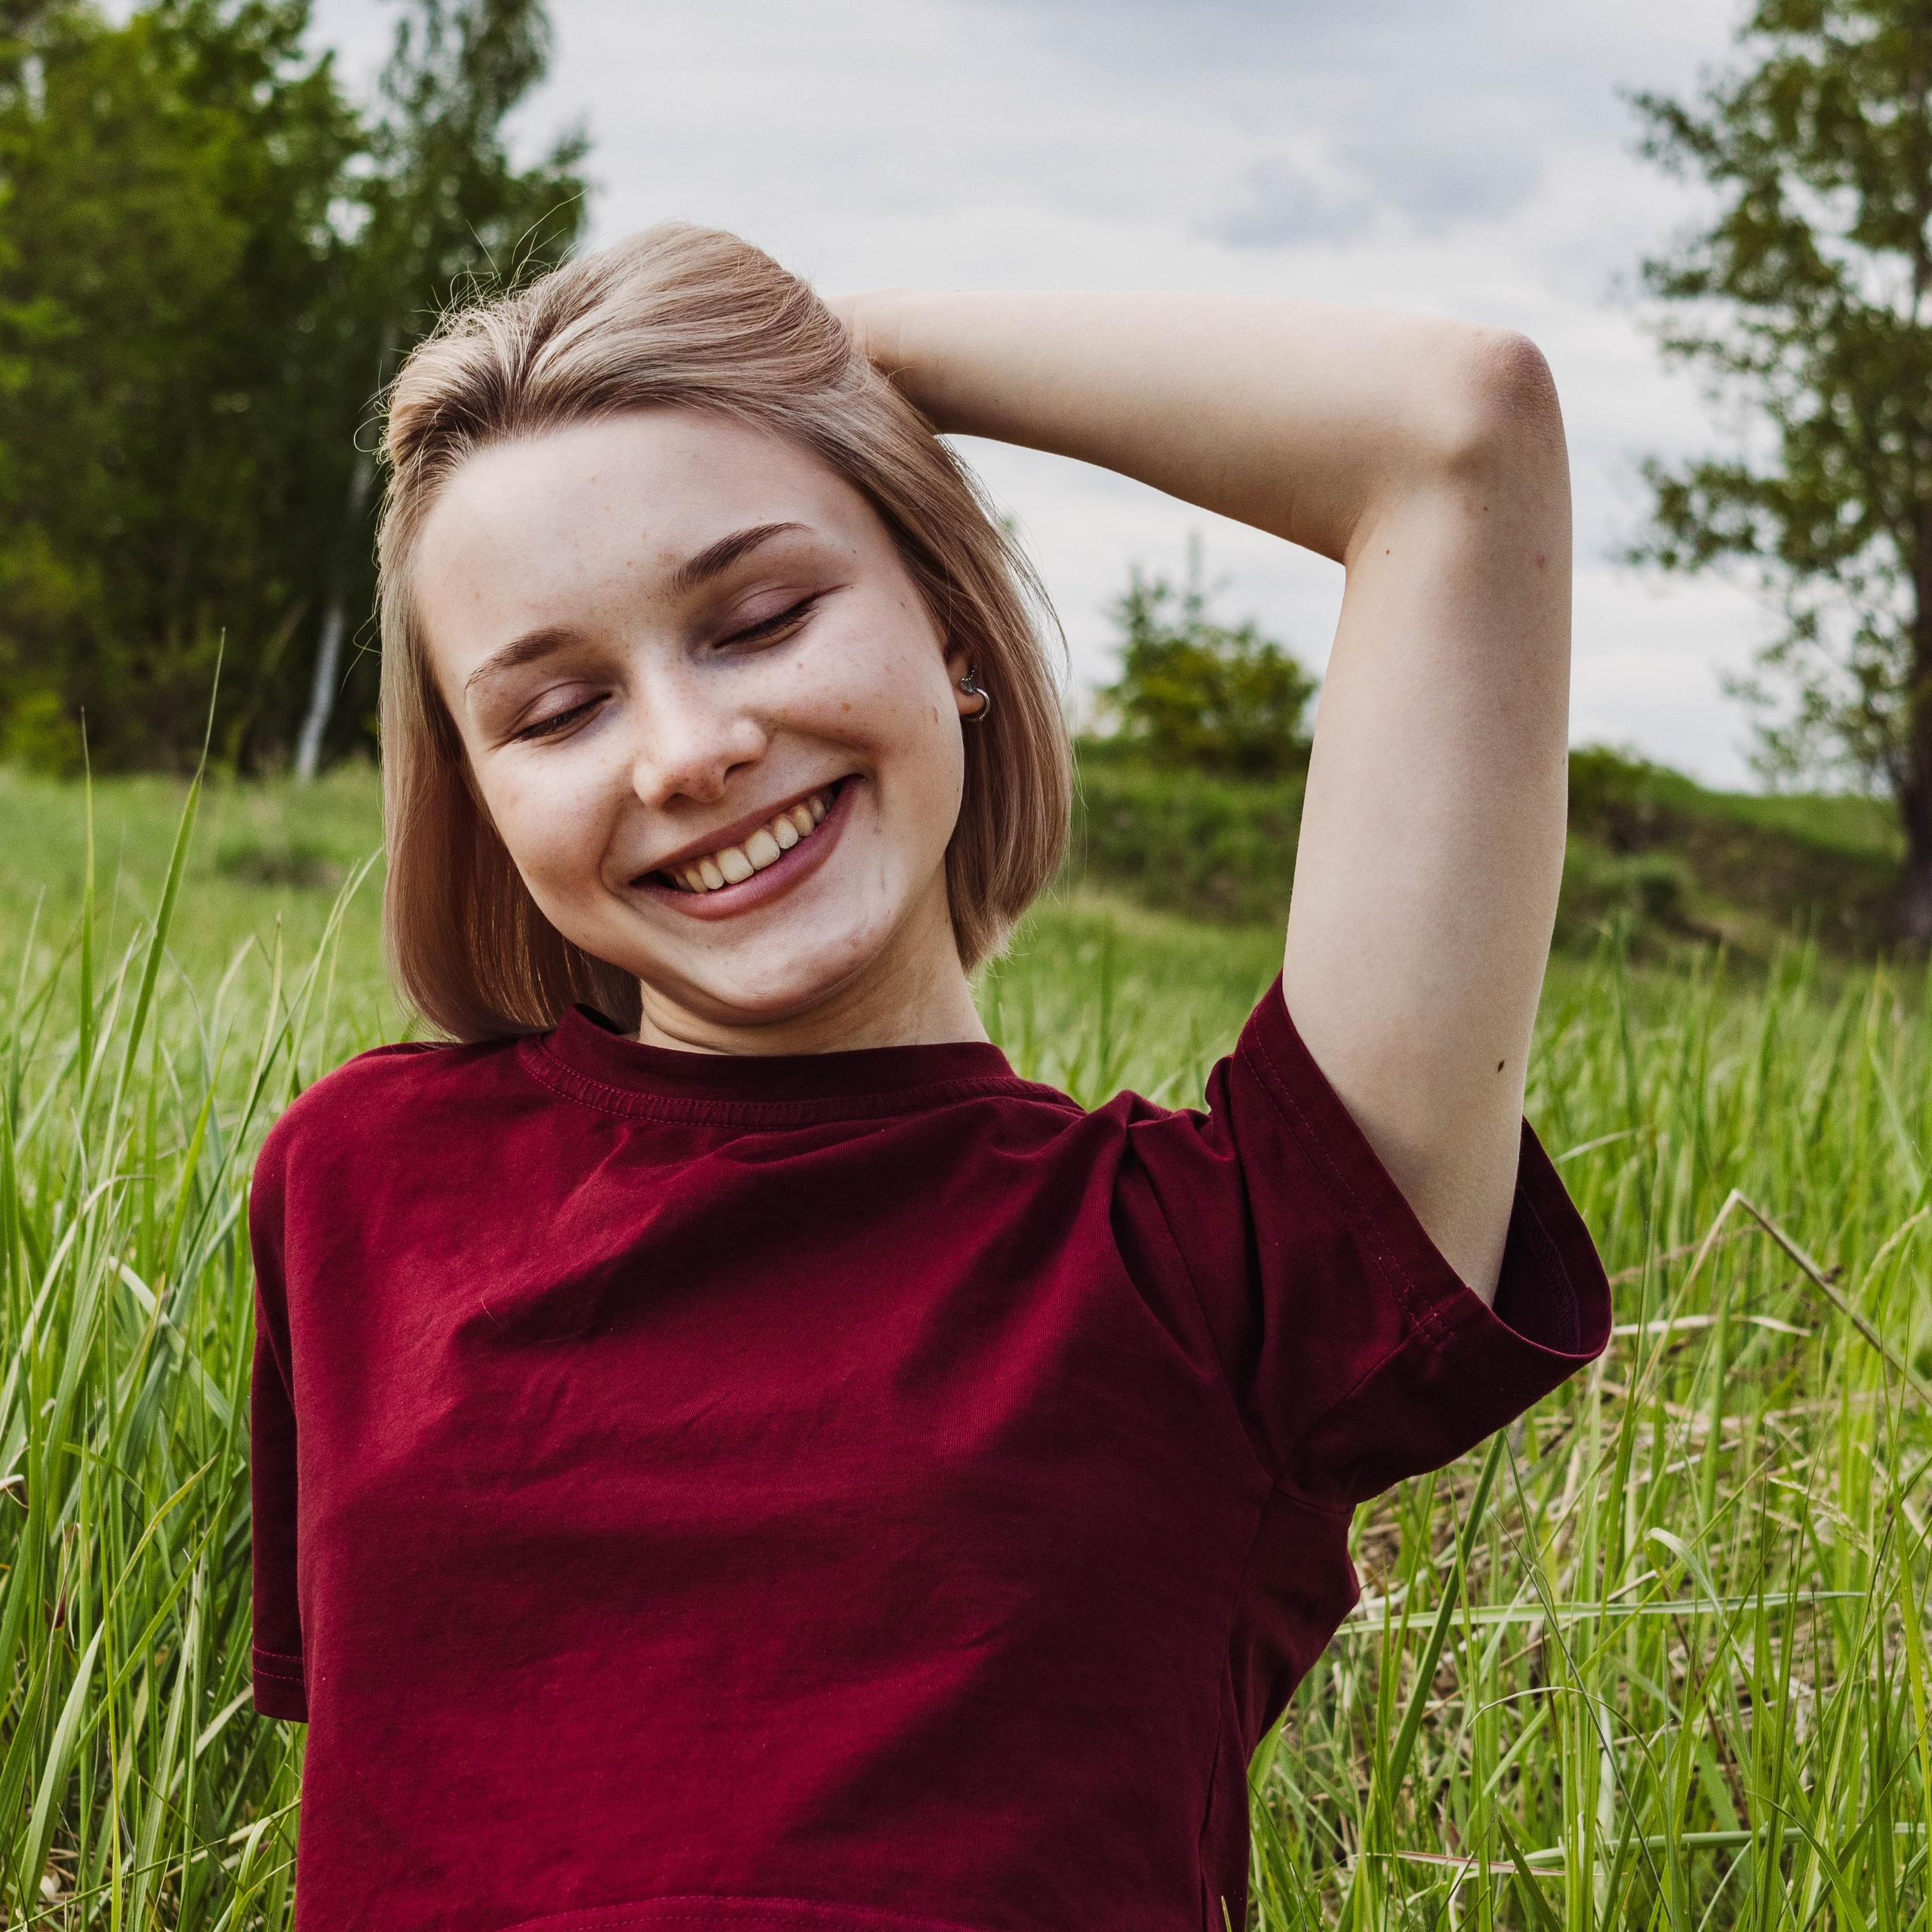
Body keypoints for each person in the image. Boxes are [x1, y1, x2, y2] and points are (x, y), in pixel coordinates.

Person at [248, 223, 1610, 1932]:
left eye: (760, 615)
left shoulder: (1220, 1263)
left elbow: (1455, 431)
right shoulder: (361, 1182)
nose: (686, 751)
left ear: (952, 632)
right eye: (555, 708)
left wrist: (842, 351)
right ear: (479, 795)